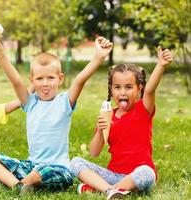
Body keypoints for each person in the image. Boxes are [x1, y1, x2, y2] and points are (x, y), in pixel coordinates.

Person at [0, 35, 113, 195]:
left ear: (60, 79)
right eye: (40, 78)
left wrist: (98, 57)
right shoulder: (30, 102)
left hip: (59, 169)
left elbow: (80, 80)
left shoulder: (65, 101)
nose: (45, 83)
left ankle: (13, 180)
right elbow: (16, 81)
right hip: (31, 165)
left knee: (39, 174)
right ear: (32, 81)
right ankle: (18, 185)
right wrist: (0, 55)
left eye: (50, 78)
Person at [71, 46, 173, 199]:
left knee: (146, 171)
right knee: (75, 162)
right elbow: (94, 152)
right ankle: (112, 190)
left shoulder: (143, 109)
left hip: (139, 176)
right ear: (111, 90)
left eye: (128, 87)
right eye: (117, 87)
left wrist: (160, 65)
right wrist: (99, 131)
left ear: (139, 89)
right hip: (113, 175)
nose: (122, 92)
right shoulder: (107, 115)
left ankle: (103, 189)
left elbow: (150, 90)